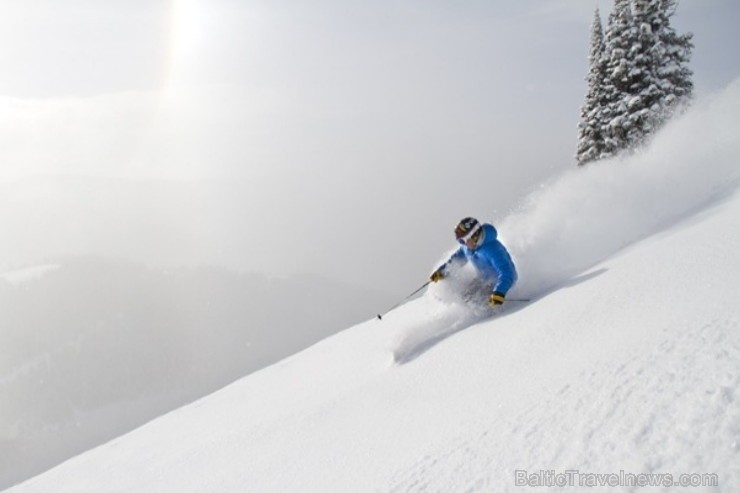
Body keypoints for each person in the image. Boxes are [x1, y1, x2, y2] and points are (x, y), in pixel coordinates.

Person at [430, 217, 517, 307]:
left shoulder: (493, 249)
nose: (463, 243)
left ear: (474, 235)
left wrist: (499, 292)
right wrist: (442, 271)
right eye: (460, 241)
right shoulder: (468, 248)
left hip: (501, 286)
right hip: (483, 281)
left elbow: (508, 272)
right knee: (464, 297)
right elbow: (456, 260)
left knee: (477, 304)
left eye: (463, 240)